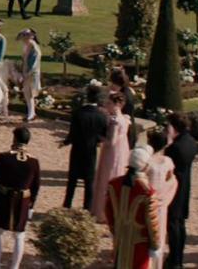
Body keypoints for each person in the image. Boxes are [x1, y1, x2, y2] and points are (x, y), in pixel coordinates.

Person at [0, 126, 42, 269]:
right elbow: (36, 185)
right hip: (23, 200)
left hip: (4, 197)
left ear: (15, 139)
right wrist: (32, 205)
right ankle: (15, 266)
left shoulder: (4, 157)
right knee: (19, 235)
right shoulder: (33, 161)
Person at [105, 146, 163, 269]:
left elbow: (108, 211)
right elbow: (151, 222)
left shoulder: (113, 184)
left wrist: (115, 231)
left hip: (120, 238)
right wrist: (155, 245)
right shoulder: (147, 192)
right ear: (145, 166)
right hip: (139, 242)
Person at [63, 83, 110, 212]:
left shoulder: (78, 113)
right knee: (89, 182)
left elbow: (72, 134)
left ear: (87, 97)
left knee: (72, 180)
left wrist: (66, 142)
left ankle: (67, 205)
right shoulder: (101, 116)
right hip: (91, 151)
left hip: (77, 150)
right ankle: (87, 208)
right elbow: (104, 135)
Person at [164, 112, 197, 269]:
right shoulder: (190, 141)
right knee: (180, 224)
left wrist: (168, 144)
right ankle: (178, 258)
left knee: (173, 225)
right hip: (185, 187)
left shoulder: (175, 147)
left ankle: (174, 260)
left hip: (174, 188)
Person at [93, 92, 132, 222]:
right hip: (122, 150)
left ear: (117, 105)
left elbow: (112, 142)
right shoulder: (124, 118)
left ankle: (103, 213)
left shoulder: (116, 121)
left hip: (112, 152)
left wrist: (100, 138)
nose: (107, 105)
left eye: (109, 103)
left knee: (106, 177)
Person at [145, 131, 177, 269]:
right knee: (159, 233)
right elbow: (171, 179)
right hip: (160, 203)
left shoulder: (147, 162)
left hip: (147, 200)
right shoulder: (168, 161)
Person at [18, 28, 42, 121]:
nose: (24, 40)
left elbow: (34, 66)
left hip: (32, 75)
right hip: (26, 73)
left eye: (25, 38)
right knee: (27, 94)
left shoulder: (35, 50)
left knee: (30, 94)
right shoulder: (27, 47)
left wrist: (26, 75)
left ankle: (31, 114)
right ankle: (31, 113)